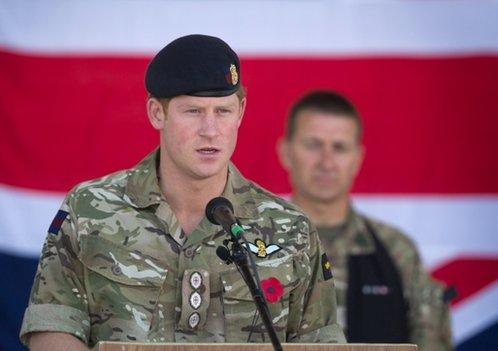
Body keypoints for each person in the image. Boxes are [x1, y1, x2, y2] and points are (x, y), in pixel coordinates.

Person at [20, 35, 345, 350]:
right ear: (157, 113)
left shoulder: (292, 231)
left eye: (223, 111)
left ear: (241, 112)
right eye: (193, 111)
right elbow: (53, 324)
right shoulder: (89, 209)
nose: (210, 130)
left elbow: (322, 342)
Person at [277, 90, 453, 350]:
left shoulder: (396, 252)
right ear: (286, 152)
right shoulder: (253, 245)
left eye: (339, 148)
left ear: (357, 159)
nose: (326, 162)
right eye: (313, 145)